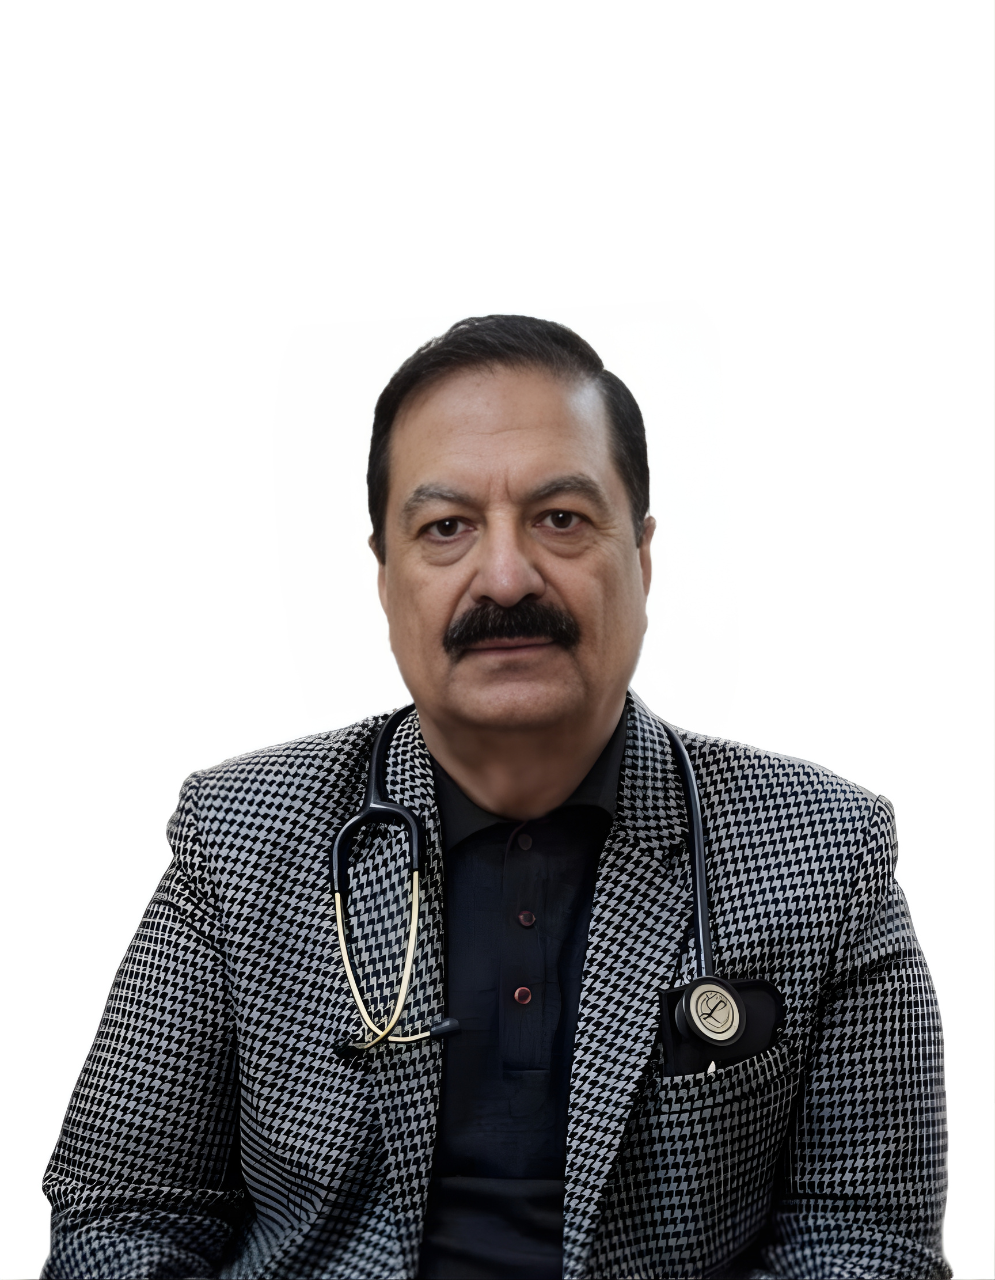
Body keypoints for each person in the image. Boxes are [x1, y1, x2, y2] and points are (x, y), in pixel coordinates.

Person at [41, 315, 950, 1280]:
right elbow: (124, 1215)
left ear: (641, 560)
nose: (507, 578)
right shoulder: (239, 836)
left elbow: (866, 1241)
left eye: (560, 519)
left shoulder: (825, 851)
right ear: (385, 577)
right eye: (446, 529)